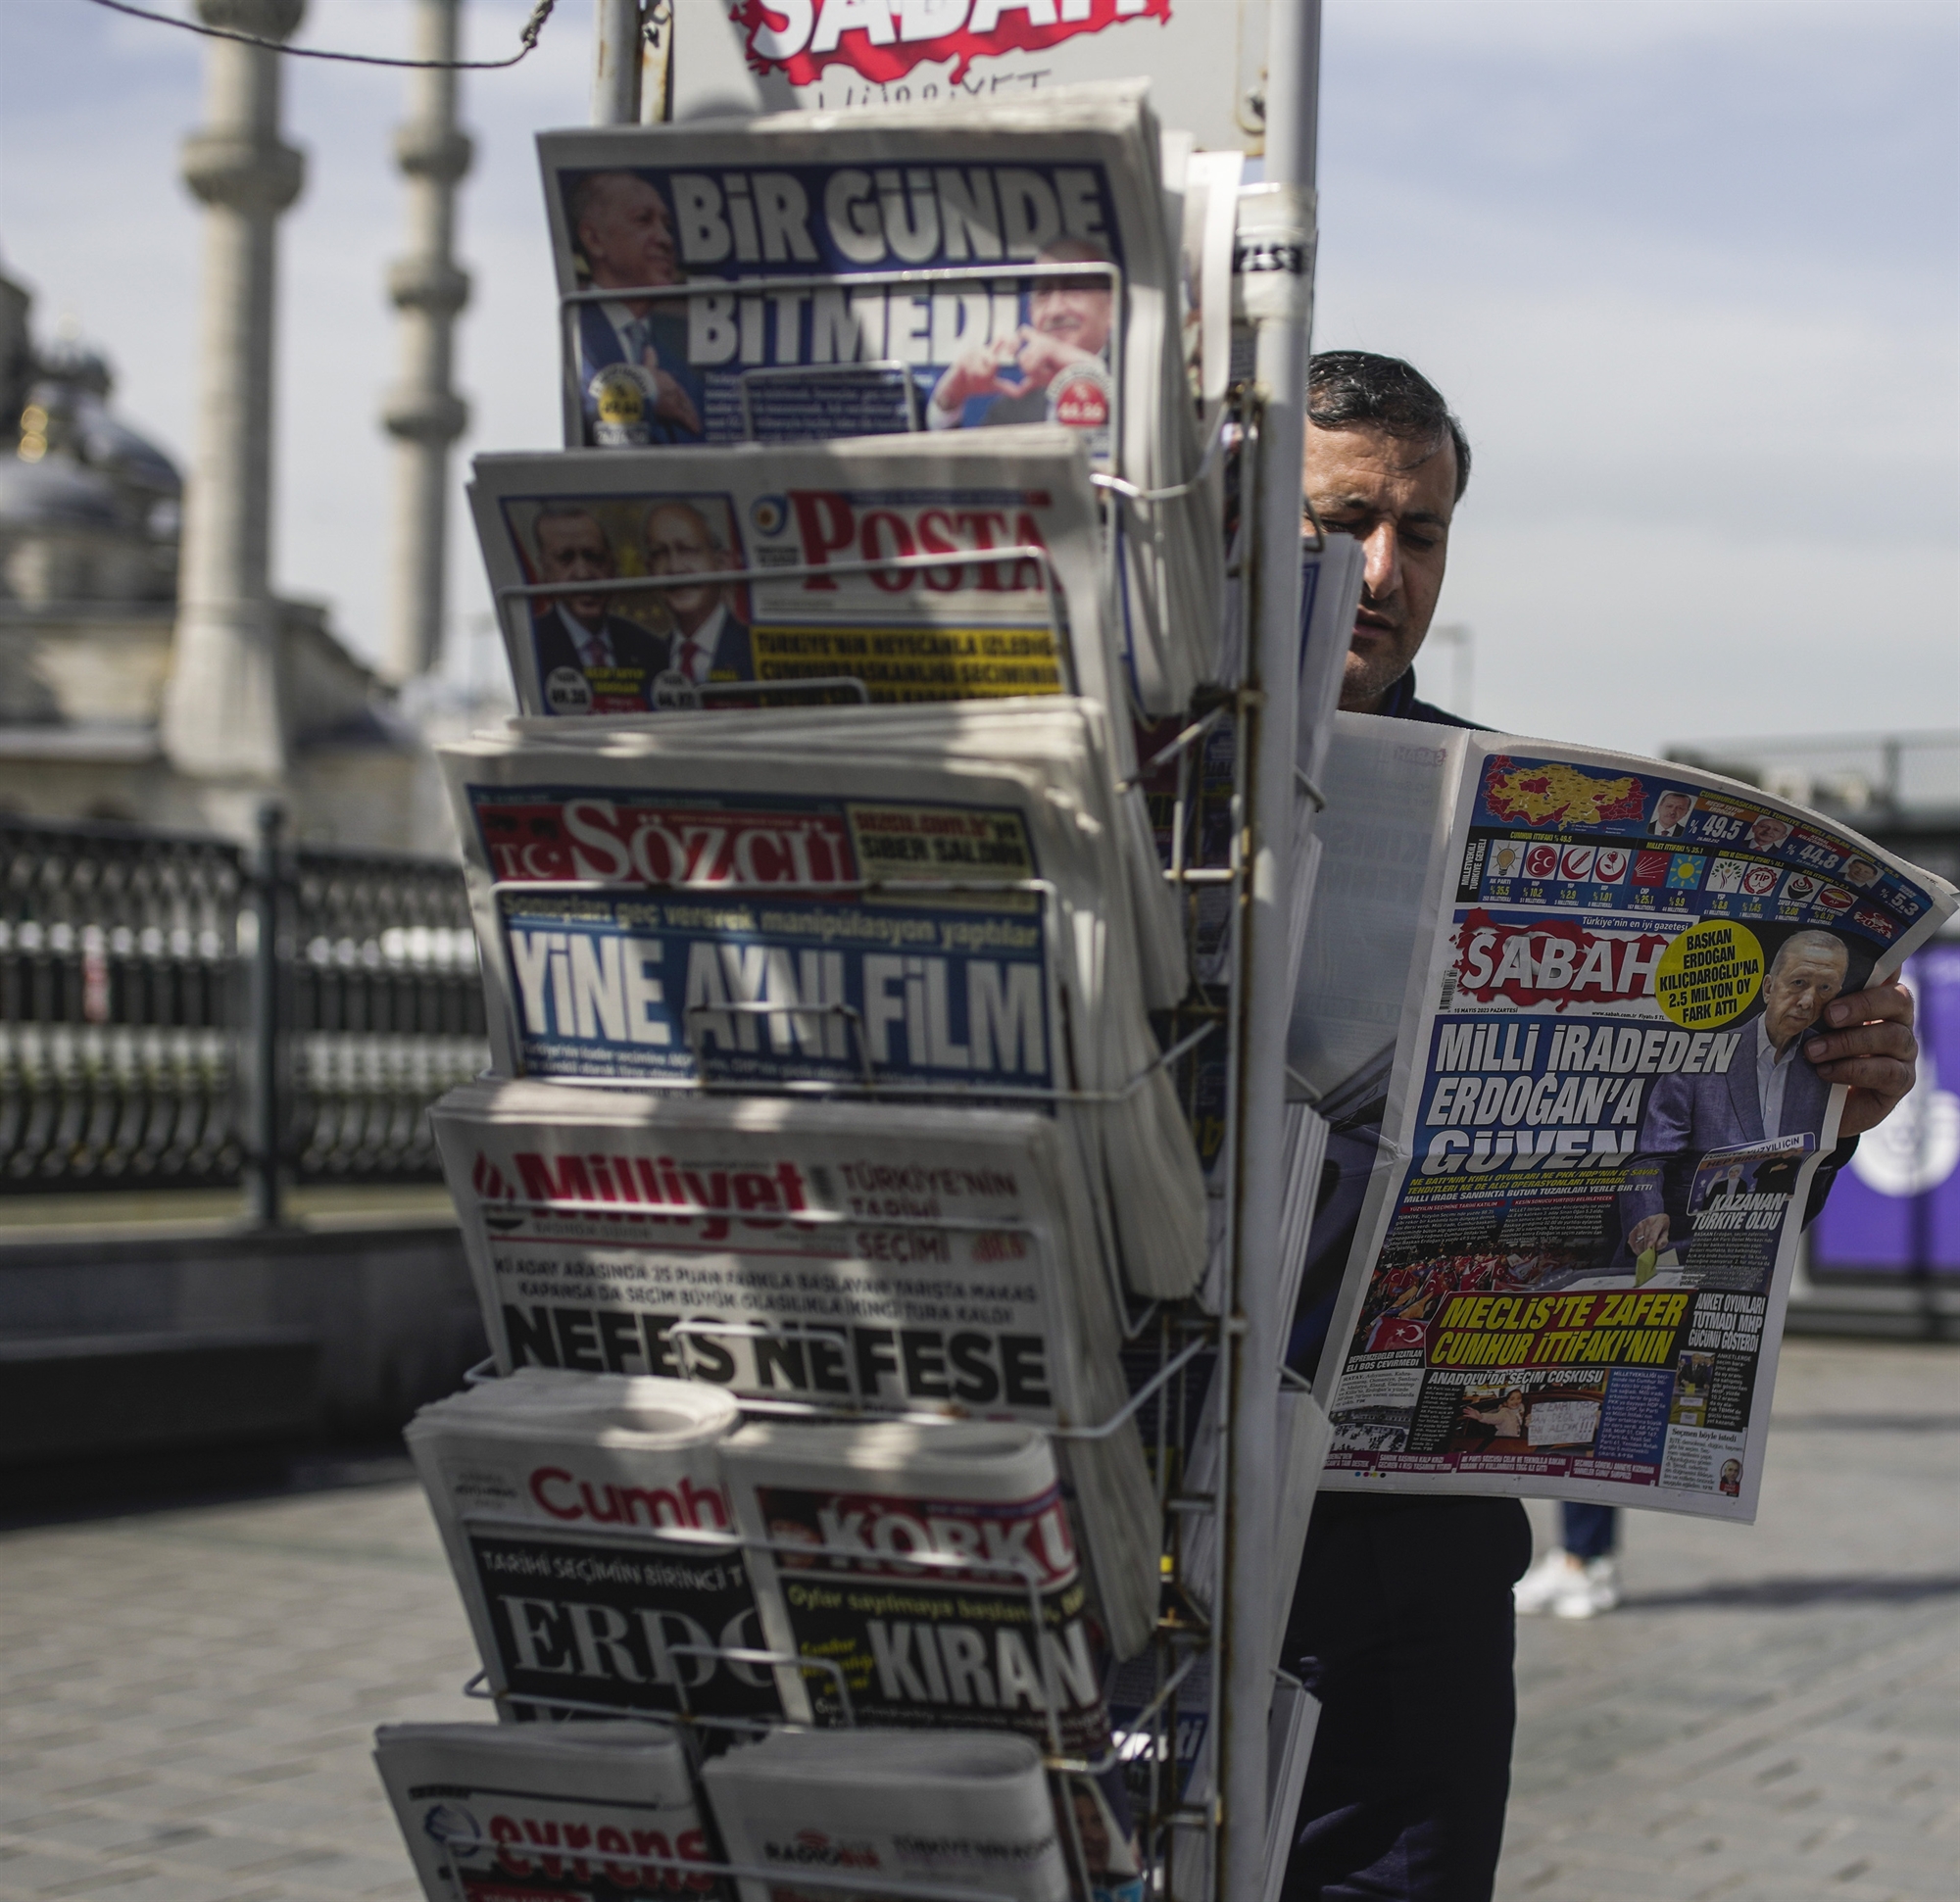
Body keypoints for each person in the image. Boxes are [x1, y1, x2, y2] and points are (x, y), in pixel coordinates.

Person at [1280, 350, 1921, 1902]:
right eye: (1340, 520)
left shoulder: (1507, 806)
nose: (1381, 572)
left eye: (1418, 533)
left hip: (1405, 1575)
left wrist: (1827, 1109)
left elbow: (1674, 1222)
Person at [1620, 929, 1853, 1262]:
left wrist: (1847, 1132)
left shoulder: (1826, 1068)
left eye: (1825, 989)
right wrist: (1647, 1215)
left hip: (1750, 1265)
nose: (1807, 1001)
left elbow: (1806, 1189)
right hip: (1669, 1258)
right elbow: (1648, 1160)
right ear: (1769, 987)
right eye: (1799, 983)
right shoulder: (1701, 1058)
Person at [567, 171, 705, 445]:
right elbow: (591, 414)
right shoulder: (575, 334)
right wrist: (649, 389)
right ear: (594, 239)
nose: (666, 240)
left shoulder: (676, 353)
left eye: (667, 227)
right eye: (643, 220)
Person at [927, 238, 1113, 430]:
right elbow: (960, 461)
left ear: (1112, 308)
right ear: (1031, 314)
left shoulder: (1139, 382)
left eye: (1074, 288)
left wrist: (1089, 374)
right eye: (1043, 293)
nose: (1055, 310)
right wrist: (949, 401)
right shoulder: (1010, 412)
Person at [528, 505, 671, 713]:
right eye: (566, 558)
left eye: (593, 556)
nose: (584, 573)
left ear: (612, 565)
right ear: (545, 570)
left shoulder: (651, 649)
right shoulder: (532, 645)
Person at [643, 501, 755, 686]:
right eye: (660, 553)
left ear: (722, 564)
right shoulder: (647, 660)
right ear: (650, 569)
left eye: (688, 549)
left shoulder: (752, 649)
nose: (675, 567)